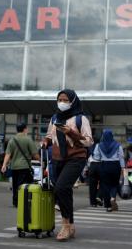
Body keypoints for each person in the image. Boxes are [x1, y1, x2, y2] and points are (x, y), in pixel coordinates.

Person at [42, 89, 93, 241]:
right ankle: (70, 225)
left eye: (65, 100)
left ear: (73, 102)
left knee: (61, 188)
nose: (62, 103)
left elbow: (89, 141)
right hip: (58, 158)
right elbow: (50, 136)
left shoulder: (80, 119)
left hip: (76, 158)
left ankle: (65, 226)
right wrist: (46, 141)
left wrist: (70, 132)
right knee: (64, 191)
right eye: (59, 100)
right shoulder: (55, 118)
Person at [1, 123, 39, 207]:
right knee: (23, 185)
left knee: (15, 185)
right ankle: (22, 201)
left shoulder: (12, 140)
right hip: (24, 166)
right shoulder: (28, 139)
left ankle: (15, 201)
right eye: (27, 128)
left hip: (14, 167)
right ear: (25, 129)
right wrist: (40, 160)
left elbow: (8, 154)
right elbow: (34, 154)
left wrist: (4, 165)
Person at [93, 129, 125, 212]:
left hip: (104, 166)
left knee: (105, 185)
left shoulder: (99, 145)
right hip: (115, 165)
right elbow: (121, 157)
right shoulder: (118, 145)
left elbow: (96, 157)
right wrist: (123, 168)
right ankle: (113, 197)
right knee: (114, 184)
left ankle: (108, 206)